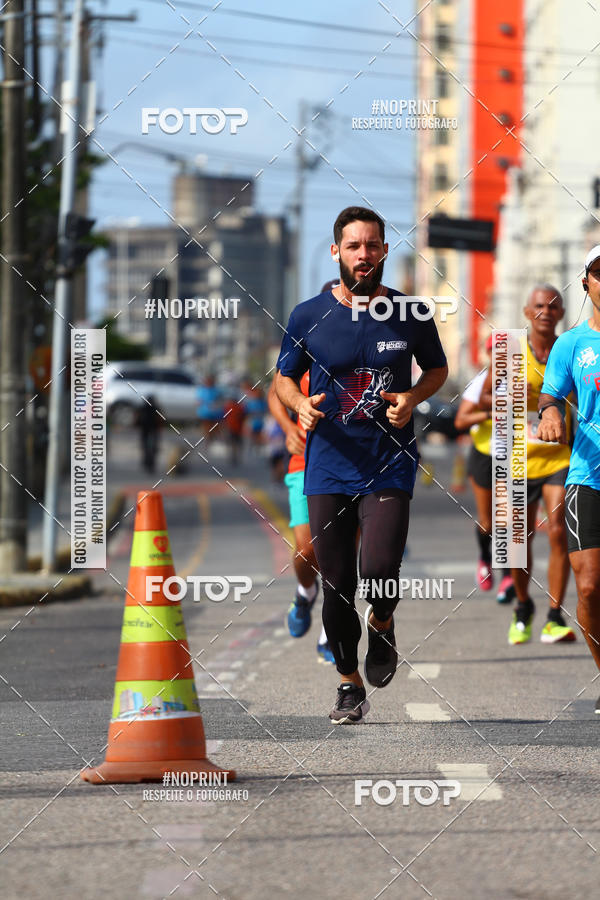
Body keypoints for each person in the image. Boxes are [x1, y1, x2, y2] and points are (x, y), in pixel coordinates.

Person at [275, 206, 448, 723]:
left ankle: (385, 623)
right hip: (327, 465)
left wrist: (413, 397)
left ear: (384, 251)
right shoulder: (308, 315)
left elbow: (437, 368)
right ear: (337, 252)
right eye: (354, 246)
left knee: (378, 569)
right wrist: (299, 404)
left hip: (388, 463)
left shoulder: (410, 312)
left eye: (372, 245)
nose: (364, 255)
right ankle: (349, 684)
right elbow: (283, 377)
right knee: (337, 585)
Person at [481, 285, 575, 645]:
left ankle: (554, 615)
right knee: (515, 540)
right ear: (526, 312)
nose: (545, 311)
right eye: (539, 305)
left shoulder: (568, 349)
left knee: (557, 529)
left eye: (553, 306)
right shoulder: (510, 350)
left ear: (561, 313)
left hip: (558, 455)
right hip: (516, 454)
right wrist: (511, 401)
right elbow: (487, 393)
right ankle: (523, 607)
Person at [538, 246, 600, 709]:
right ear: (586, 283)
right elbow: (550, 394)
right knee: (591, 586)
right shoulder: (572, 344)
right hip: (588, 475)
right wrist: (552, 415)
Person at [454, 335, 514, 601]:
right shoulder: (479, 382)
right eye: (495, 351)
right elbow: (460, 420)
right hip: (483, 455)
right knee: (488, 521)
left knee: (508, 519)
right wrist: (490, 414)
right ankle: (484, 558)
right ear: (489, 354)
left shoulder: (521, 381)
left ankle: (509, 576)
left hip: (512, 456)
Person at [137, 395, 162, 473]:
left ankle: (148, 461)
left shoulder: (143, 408)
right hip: (151, 429)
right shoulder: (155, 408)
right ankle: (149, 461)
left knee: (147, 446)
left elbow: (137, 419)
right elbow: (161, 419)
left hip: (147, 428)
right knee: (151, 446)